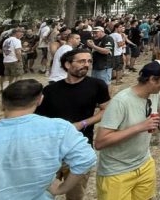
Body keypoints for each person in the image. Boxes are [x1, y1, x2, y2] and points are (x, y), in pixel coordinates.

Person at [0, 79, 97, 199]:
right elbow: (86, 159)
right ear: (40, 100)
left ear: (2, 105)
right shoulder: (60, 129)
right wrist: (61, 188)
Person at [94, 60, 160, 200]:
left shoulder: (154, 94)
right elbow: (100, 142)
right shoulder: (121, 102)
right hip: (117, 172)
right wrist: (140, 127)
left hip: (144, 164)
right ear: (152, 79)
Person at [36, 48, 110, 200]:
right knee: (44, 193)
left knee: (75, 196)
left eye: (89, 61)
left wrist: (83, 123)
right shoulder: (50, 90)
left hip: (79, 150)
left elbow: (106, 110)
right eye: (82, 61)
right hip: (52, 151)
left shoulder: (97, 85)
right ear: (67, 64)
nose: (86, 65)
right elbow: (39, 119)